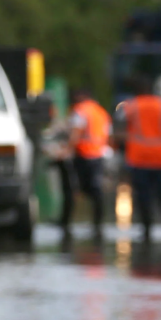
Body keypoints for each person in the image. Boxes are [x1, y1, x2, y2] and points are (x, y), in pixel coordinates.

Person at [118, 75, 161, 241]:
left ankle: (147, 229)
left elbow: (119, 124)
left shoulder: (131, 106)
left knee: (143, 196)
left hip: (139, 159)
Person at [64, 89, 111, 238]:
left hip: (83, 154)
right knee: (96, 191)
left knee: (73, 190)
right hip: (98, 155)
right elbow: (108, 134)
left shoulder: (80, 110)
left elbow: (75, 132)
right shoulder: (101, 112)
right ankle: (98, 223)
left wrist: (67, 150)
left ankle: (66, 223)